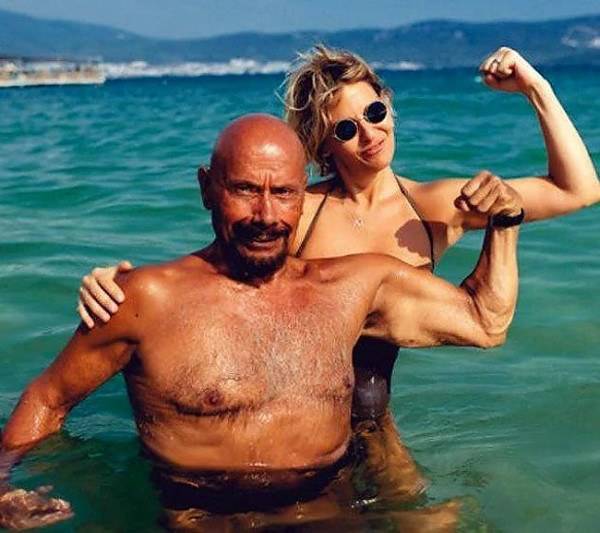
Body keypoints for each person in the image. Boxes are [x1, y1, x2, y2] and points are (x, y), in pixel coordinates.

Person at [77, 45, 599, 498]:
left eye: (375, 111)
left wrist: (536, 88)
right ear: (323, 145)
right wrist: (119, 284)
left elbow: (579, 189)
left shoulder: (435, 207)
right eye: (346, 128)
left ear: (389, 105)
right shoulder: (299, 212)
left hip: (374, 423)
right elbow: (216, 272)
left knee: (434, 521)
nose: (369, 133)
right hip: (291, 429)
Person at [0, 115, 521, 530]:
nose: (266, 215)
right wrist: (5, 486)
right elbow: (48, 399)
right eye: (245, 190)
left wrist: (504, 223)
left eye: (284, 193)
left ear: (304, 194)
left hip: (331, 512)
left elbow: (486, 322)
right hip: (200, 517)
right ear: (207, 189)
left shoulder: (352, 288)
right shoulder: (146, 299)